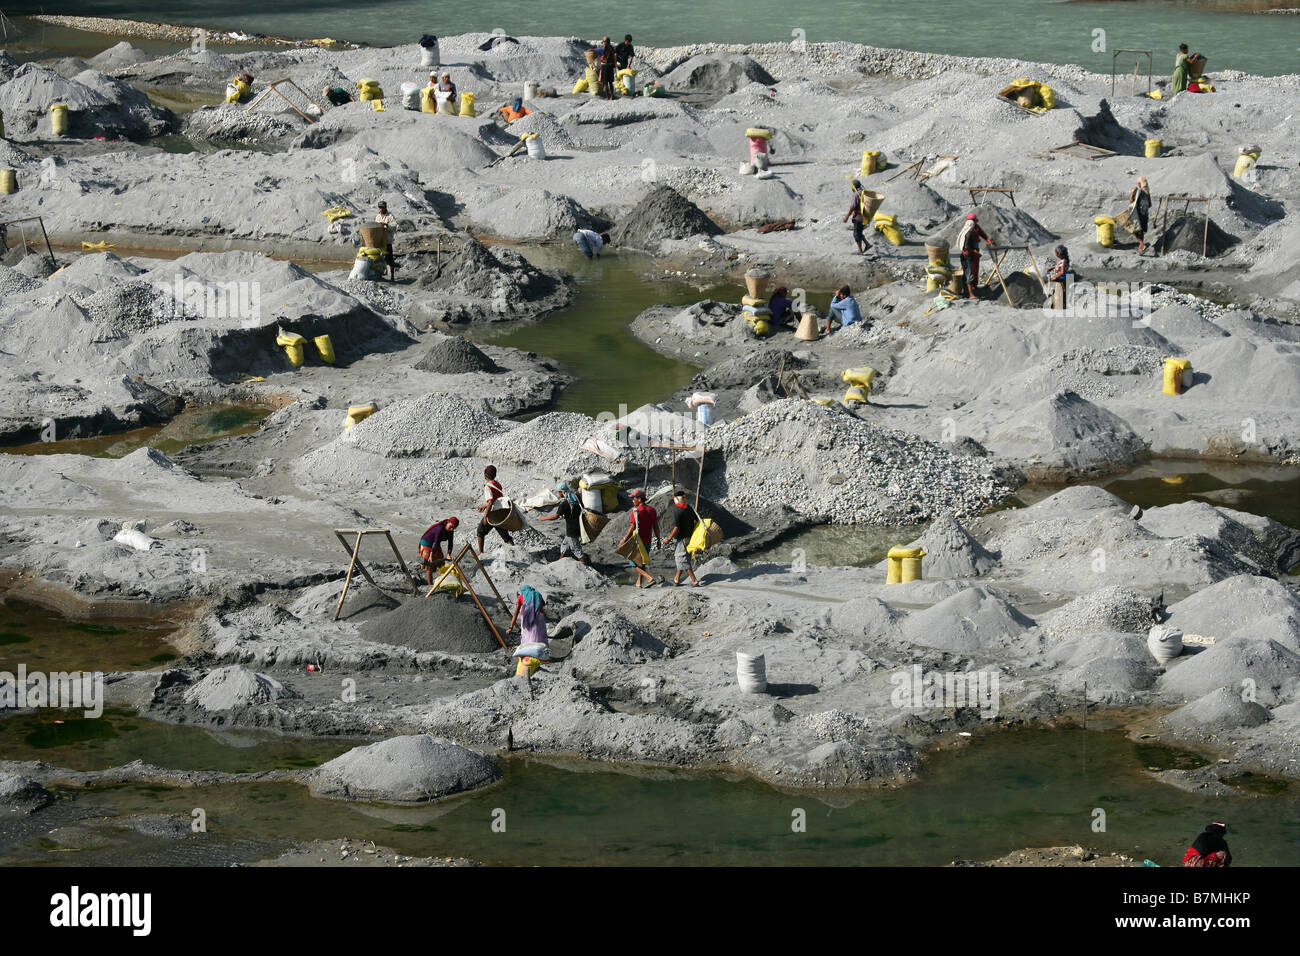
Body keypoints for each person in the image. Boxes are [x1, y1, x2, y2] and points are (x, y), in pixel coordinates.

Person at [616, 489, 661, 588]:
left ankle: (649, 578)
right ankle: (639, 583)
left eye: (634, 498)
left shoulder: (636, 512)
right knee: (642, 562)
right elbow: (656, 526)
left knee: (634, 564)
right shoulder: (652, 510)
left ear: (640, 499)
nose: (632, 500)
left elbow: (632, 527)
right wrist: (658, 540)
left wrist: (624, 539)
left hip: (637, 541)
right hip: (648, 541)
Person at [538, 481, 589, 564]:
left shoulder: (564, 504)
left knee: (577, 550)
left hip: (572, 531)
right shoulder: (577, 497)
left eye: (559, 492)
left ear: (563, 492)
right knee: (565, 545)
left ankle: (586, 567)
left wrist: (544, 518)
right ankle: (560, 562)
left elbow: (556, 516)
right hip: (578, 527)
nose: (558, 494)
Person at [663, 490, 701, 587]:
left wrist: (668, 539)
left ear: (676, 499)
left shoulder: (677, 511)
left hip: (681, 539)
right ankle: (676, 579)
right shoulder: (689, 508)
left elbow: (676, 527)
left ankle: (694, 580)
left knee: (682, 559)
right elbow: (696, 521)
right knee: (683, 558)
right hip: (689, 537)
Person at [476, 465, 514, 553]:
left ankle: (480, 552)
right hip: (501, 513)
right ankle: (514, 551)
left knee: (480, 531)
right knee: (505, 535)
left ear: (485, 476)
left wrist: (485, 516)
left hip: (493, 514)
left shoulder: (488, 486)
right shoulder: (497, 484)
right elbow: (497, 500)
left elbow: (491, 502)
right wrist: (484, 506)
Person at [957, 212, 994, 300]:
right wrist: (974, 252)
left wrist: (990, 242)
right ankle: (970, 293)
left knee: (975, 268)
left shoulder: (975, 228)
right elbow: (966, 247)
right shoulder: (968, 232)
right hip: (969, 254)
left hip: (973, 251)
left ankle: (974, 286)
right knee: (968, 272)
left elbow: (983, 235)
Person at [418, 516, 458, 584]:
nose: (451, 529)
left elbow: (450, 543)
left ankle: (443, 580)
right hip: (427, 542)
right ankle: (429, 584)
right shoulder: (439, 529)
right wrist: (431, 555)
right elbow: (435, 542)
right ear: (448, 522)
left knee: (441, 561)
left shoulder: (451, 532)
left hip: (435, 544)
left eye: (453, 528)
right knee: (429, 564)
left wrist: (449, 554)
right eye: (451, 526)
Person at [374, 201, 397, 280]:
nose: (381, 209)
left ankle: (392, 276)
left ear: (385, 207)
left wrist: (386, 225)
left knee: (390, 259)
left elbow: (394, 226)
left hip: (387, 241)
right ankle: (380, 275)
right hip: (379, 241)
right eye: (380, 207)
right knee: (379, 259)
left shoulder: (390, 216)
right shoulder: (377, 216)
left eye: (382, 207)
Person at [1129, 176, 1152, 253]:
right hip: (1145, 215)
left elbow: (1131, 201)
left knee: (1135, 230)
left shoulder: (1138, 191)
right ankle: (1141, 247)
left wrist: (1133, 192)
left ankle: (1142, 244)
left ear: (1139, 184)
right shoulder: (1147, 192)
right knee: (1141, 231)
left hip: (1138, 214)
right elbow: (1150, 205)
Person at [1046, 244, 1070, 310]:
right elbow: (1059, 266)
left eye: (1055, 252)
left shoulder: (1063, 261)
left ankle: (1058, 308)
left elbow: (1062, 272)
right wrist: (1052, 267)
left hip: (1060, 280)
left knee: (1058, 295)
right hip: (1060, 279)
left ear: (1059, 254)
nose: (1055, 254)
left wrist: (1055, 277)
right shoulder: (1063, 260)